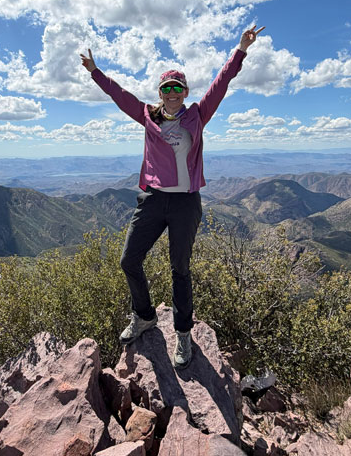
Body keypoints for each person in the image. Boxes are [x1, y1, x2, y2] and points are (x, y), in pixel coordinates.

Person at [79, 25, 264, 369]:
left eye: (178, 87)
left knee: (180, 268)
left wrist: (240, 49)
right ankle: (144, 315)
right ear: (160, 93)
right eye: (167, 88)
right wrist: (95, 72)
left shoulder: (197, 115)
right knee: (129, 260)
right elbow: (120, 95)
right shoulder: (147, 115)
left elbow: (221, 83)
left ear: (185, 91)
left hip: (185, 203)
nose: (172, 92)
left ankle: (183, 334)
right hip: (153, 199)